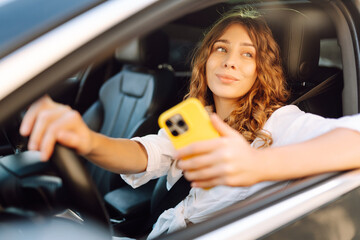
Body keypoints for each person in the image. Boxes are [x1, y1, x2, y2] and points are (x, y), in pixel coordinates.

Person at [19, 7, 360, 239]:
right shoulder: (194, 118)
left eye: (247, 54)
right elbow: (145, 154)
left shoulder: (279, 122)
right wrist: (88, 140)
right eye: (221, 49)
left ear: (262, 70)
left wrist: (255, 163)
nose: (229, 62)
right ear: (205, 59)